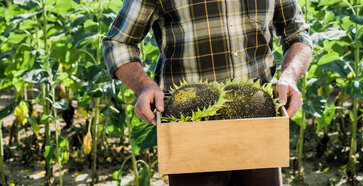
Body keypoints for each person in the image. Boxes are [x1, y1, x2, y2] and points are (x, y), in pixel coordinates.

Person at [102, 0, 312, 185]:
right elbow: (119, 42)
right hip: (189, 126)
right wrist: (144, 86)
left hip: (259, 120)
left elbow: (297, 34)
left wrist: (289, 77)